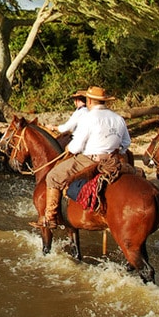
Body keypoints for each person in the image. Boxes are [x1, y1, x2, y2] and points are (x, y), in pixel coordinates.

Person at [32, 86, 130, 229]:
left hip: (90, 159)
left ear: (89, 100)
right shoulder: (118, 118)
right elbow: (126, 143)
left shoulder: (88, 118)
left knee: (53, 176)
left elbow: (76, 146)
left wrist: (69, 148)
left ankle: (50, 217)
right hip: (112, 160)